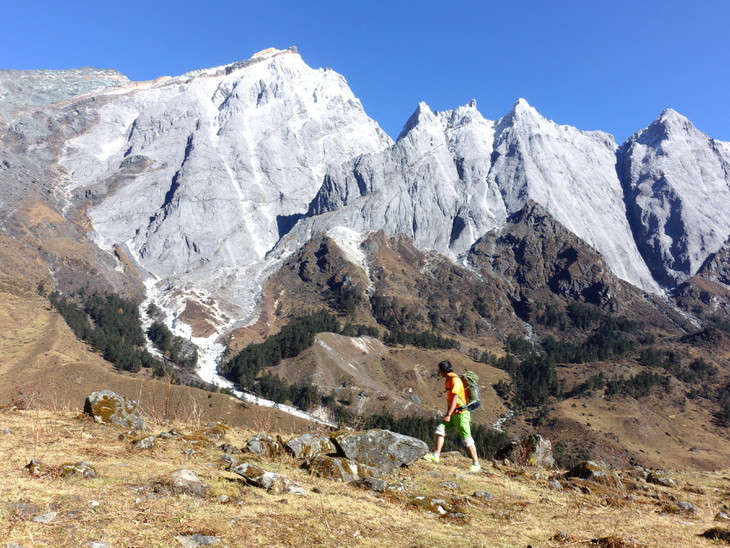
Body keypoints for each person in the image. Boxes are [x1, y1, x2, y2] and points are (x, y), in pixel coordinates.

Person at [423, 360, 481, 472]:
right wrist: (449, 413)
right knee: (440, 429)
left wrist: (448, 414)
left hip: (461, 414)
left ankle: (476, 464)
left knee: (467, 439)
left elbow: (455, 398)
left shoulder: (455, 380)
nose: (439, 373)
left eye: (440, 370)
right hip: (455, 413)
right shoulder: (449, 380)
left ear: (443, 371)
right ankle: (436, 455)